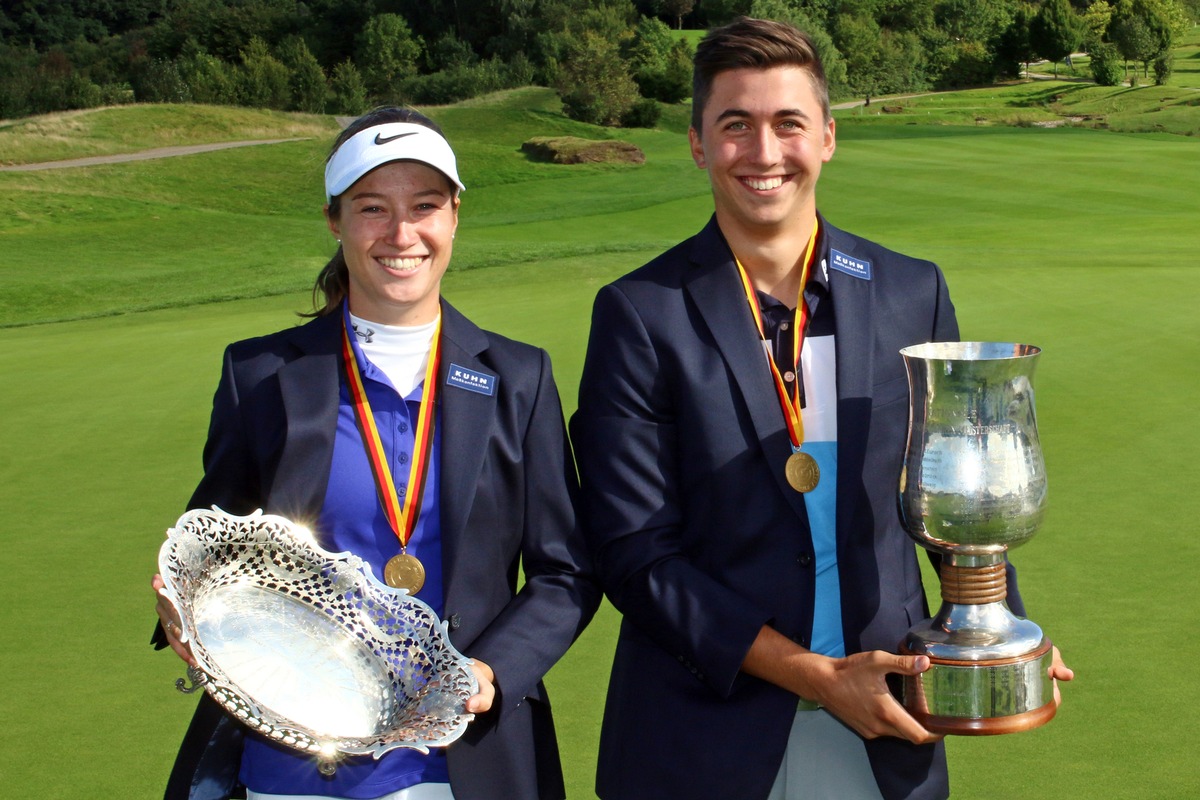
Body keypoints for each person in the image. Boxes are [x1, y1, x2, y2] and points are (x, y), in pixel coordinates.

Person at [569, 17, 1072, 800]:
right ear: (699, 143)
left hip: (885, 729)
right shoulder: (640, 314)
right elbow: (636, 556)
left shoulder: (913, 292)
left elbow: (950, 496)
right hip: (701, 742)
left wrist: (997, 625)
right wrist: (817, 675)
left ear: (828, 137)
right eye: (735, 126)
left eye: (787, 124)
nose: (764, 154)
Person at [151, 106, 600, 800]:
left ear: (454, 215)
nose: (401, 234)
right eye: (371, 208)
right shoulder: (262, 376)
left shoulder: (520, 377)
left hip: (467, 762)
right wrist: (179, 606)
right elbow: (213, 551)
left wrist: (490, 673)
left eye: (424, 206)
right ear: (334, 220)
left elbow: (565, 572)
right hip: (295, 766)